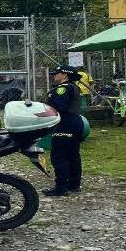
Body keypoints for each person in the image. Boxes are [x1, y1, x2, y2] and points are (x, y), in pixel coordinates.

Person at [43, 65, 83, 197]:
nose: (55, 75)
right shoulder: (74, 87)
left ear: (65, 75)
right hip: (76, 122)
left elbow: (58, 107)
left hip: (64, 123)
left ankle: (61, 187)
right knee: (73, 154)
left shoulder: (63, 89)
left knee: (59, 155)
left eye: (57, 73)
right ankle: (74, 184)